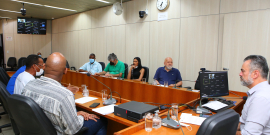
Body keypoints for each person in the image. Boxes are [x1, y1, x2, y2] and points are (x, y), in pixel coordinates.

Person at [22, 52, 107, 135]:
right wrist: (80, 116)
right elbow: (73, 130)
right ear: (65, 70)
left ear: (44, 67)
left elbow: (43, 113)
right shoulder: (64, 95)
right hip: (59, 131)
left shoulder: (28, 86)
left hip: (38, 130)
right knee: (101, 121)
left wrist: (75, 114)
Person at [236, 55, 270, 135]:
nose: (240, 74)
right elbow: (243, 122)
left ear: (255, 74)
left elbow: (250, 134)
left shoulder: (260, 98)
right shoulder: (260, 91)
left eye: (243, 71)